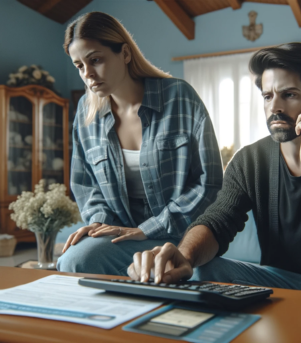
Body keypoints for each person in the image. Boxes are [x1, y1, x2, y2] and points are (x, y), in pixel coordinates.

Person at [127, 43, 301, 308]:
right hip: (278, 279)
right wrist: (184, 256)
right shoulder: (249, 160)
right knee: (201, 270)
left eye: (288, 94)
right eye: (268, 96)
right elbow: (219, 220)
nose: (274, 107)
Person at [57, 12, 223, 276]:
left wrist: (148, 229)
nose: (88, 74)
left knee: (170, 272)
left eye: (96, 60)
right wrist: (98, 223)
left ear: (124, 53)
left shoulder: (179, 96)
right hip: (121, 239)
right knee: (73, 260)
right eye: (79, 66)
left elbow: (209, 183)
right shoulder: (85, 113)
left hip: (181, 237)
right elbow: (86, 185)